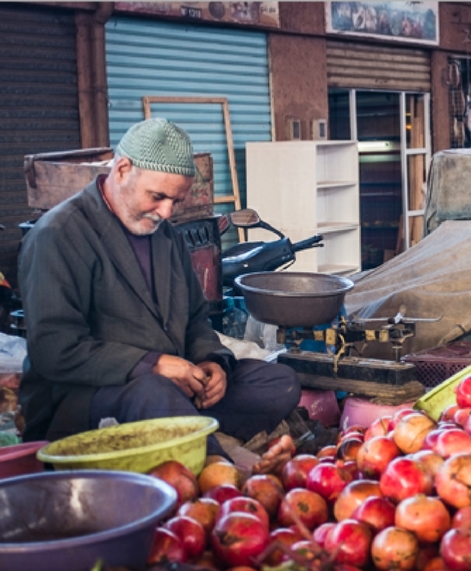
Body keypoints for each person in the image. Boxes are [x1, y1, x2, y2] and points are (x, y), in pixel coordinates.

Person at [18, 118, 301, 472]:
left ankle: (182, 426)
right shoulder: (59, 235)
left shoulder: (165, 236)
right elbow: (53, 351)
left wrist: (212, 363)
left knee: (278, 381)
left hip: (171, 387)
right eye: (158, 196)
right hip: (84, 398)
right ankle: (218, 470)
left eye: (176, 201)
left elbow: (195, 319)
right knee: (154, 392)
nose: (166, 212)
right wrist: (153, 365)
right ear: (122, 169)